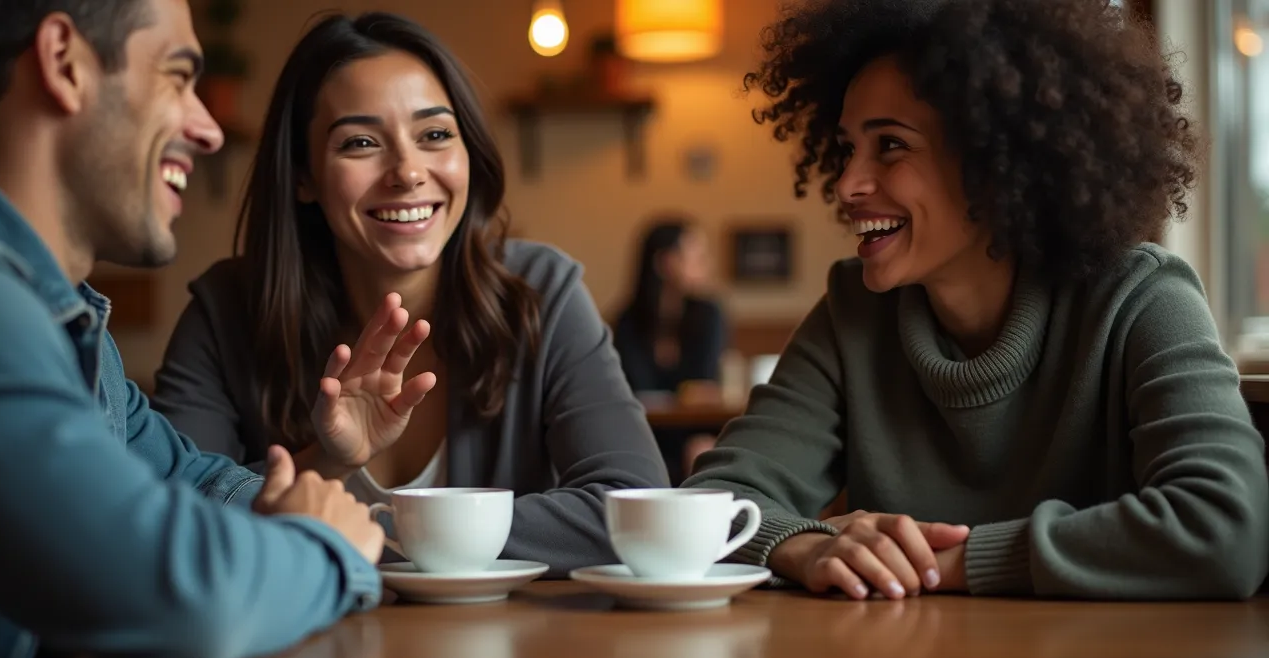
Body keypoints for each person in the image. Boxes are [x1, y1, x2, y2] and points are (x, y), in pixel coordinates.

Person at [683, 0, 1269, 600]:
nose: (848, 184)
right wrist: (806, 546)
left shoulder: (1140, 299)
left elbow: (1226, 527)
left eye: (890, 145)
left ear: (998, 162)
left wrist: (953, 563)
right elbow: (706, 506)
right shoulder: (852, 313)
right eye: (847, 148)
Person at [0, 1, 435, 658]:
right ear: (64, 64)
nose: (210, 130)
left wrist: (315, 481)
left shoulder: (69, 326)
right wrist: (323, 546)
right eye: (178, 77)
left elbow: (192, 484)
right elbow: (188, 604)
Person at [150, 12, 670, 576]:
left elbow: (637, 508)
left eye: (435, 135)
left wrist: (386, 532)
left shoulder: (542, 292)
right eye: (361, 142)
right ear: (303, 175)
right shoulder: (226, 309)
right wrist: (326, 459)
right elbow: (163, 521)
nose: (407, 171)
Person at [612, 217, 727, 482]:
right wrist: (685, 393)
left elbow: (704, 381)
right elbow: (632, 386)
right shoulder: (628, 321)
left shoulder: (709, 314)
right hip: (645, 430)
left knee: (700, 450)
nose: (705, 264)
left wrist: (687, 394)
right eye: (695, 255)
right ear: (664, 262)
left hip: (696, 430)